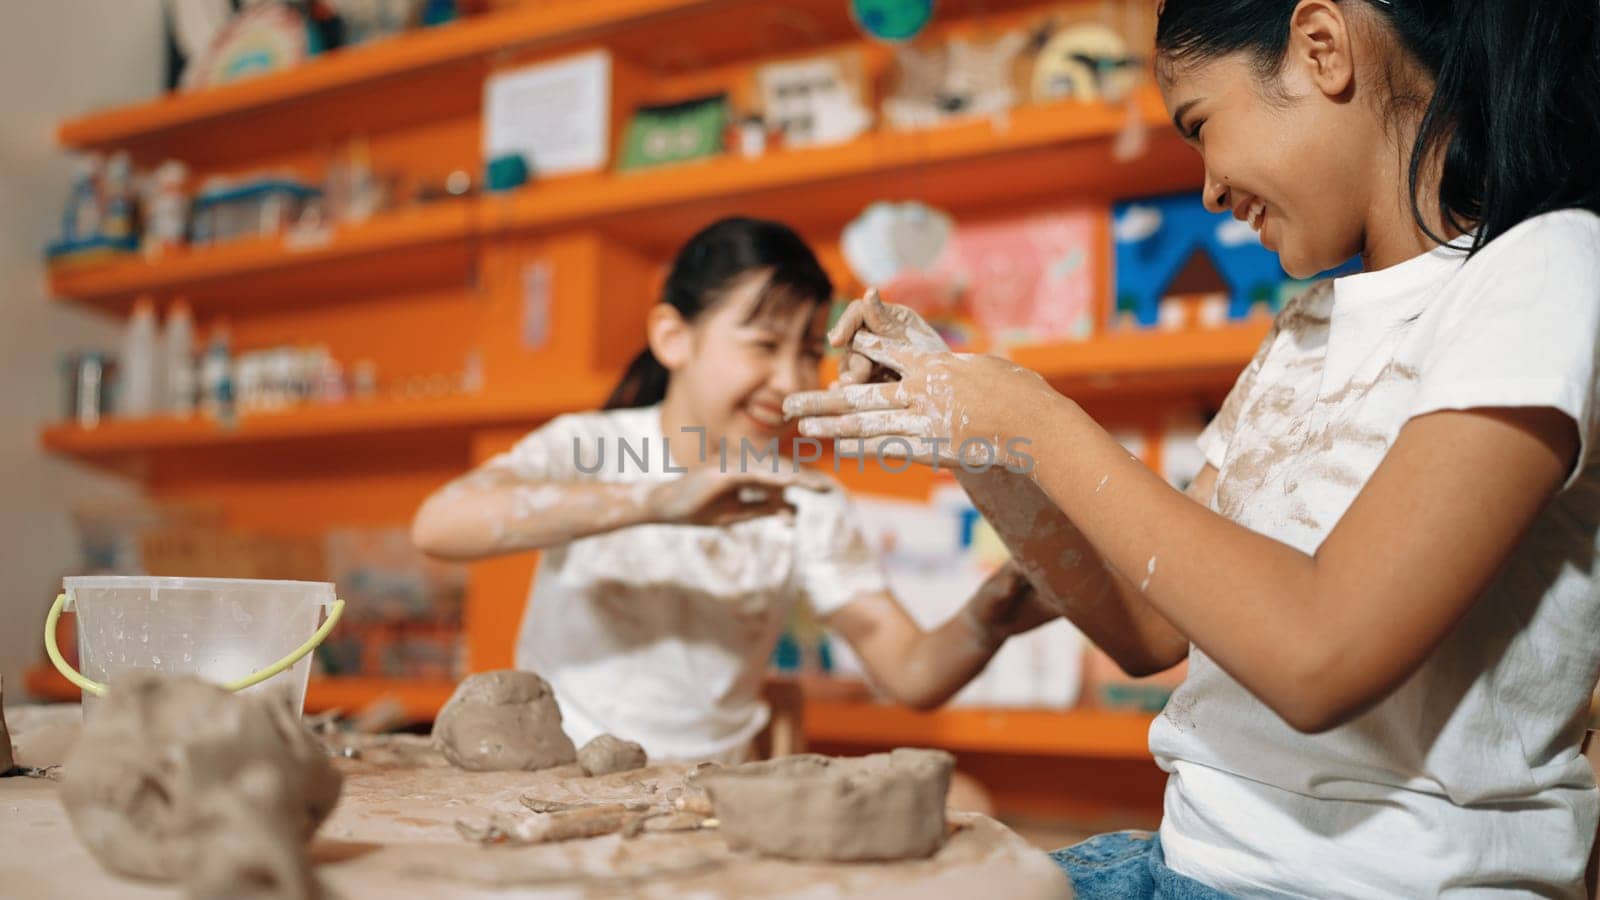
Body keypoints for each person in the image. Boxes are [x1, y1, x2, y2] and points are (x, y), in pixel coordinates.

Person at [787, 0, 1600, 895]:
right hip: (1183, 860)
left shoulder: (1545, 270)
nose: (1209, 188)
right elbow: (1149, 630)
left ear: (1322, 48)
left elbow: (1317, 657)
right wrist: (974, 434)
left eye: (1201, 126)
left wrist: (1031, 419)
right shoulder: (1303, 331)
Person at [412, 217, 1054, 765]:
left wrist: (991, 612)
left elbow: (910, 673)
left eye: (807, 352)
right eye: (763, 345)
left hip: (707, 801)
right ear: (673, 337)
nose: (788, 379)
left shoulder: (805, 496)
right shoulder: (592, 447)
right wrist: (657, 501)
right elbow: (439, 525)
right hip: (556, 778)